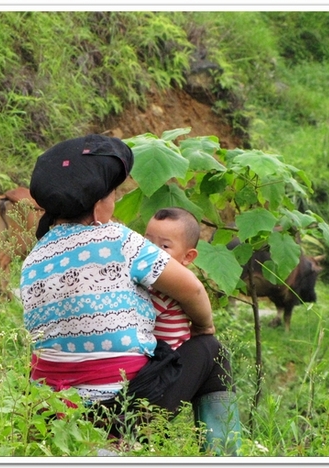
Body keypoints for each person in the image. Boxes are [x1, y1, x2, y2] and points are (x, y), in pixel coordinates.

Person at [20, 134, 241, 455]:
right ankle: (225, 456)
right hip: (122, 411)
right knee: (212, 351)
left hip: (52, 413)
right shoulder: (118, 239)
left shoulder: (33, 259)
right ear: (98, 205)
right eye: (113, 193)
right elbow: (191, 288)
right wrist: (204, 329)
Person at [144, 207, 200, 350]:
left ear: (188, 257)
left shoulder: (166, 289)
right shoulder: (154, 284)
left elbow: (135, 316)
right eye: (147, 242)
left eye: (164, 246)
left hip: (166, 360)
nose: (152, 251)